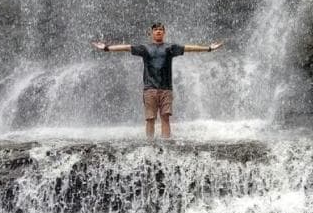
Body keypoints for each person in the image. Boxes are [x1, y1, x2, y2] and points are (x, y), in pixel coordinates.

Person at [92, 23, 223, 139]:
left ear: (164, 33)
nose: (158, 31)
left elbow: (188, 48)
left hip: (166, 89)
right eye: (156, 30)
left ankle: (166, 142)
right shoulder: (145, 48)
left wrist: (209, 48)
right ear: (151, 33)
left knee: (165, 118)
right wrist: (107, 48)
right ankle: (150, 143)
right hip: (150, 89)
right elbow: (127, 47)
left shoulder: (170, 47)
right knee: (150, 119)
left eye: (161, 29)